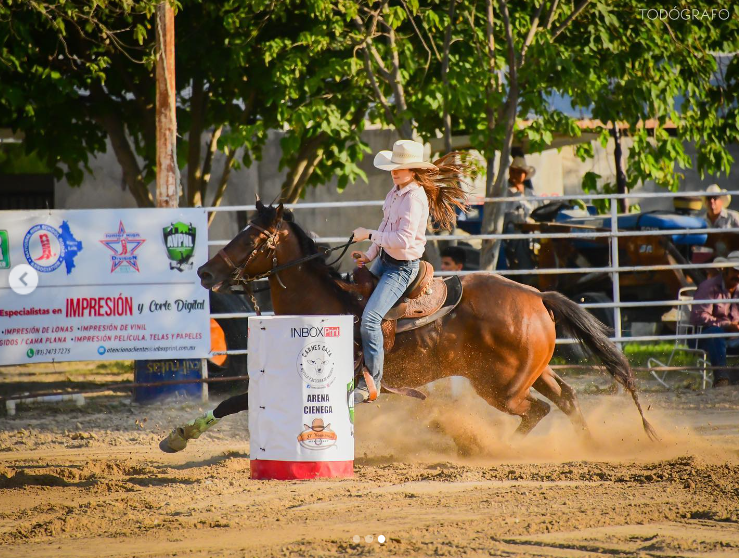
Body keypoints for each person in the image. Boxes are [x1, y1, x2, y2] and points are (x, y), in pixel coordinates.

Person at [351, 140, 474, 403]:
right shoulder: (395, 191)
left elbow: (404, 240)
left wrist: (367, 234)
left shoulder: (415, 198)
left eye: (401, 168)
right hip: (385, 260)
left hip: (402, 269)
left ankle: (371, 381)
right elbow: (386, 225)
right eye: (394, 167)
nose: (395, 172)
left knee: (372, 318)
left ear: (414, 170)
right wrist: (369, 253)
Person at [690, 250, 739, 387]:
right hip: (706, 336)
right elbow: (698, 316)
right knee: (714, 333)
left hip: (733, 337)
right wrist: (726, 324)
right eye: (735, 271)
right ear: (725, 270)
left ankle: (733, 374)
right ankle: (722, 378)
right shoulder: (708, 287)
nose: (737, 275)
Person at [503, 156, 538, 272]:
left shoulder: (529, 192)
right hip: (510, 228)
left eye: (519, 172)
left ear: (525, 174)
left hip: (528, 228)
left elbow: (535, 209)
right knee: (520, 240)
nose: (515, 175)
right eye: (513, 171)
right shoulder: (503, 190)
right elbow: (505, 209)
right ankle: (527, 274)